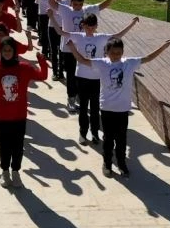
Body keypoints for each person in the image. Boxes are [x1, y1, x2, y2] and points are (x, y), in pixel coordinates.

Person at [70, 37, 170, 178]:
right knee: (108, 138)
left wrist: (163, 46)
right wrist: (71, 47)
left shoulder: (129, 63)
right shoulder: (101, 63)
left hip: (123, 109)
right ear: (107, 52)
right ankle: (107, 163)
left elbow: (148, 58)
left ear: (123, 52)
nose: (116, 55)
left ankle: (121, 162)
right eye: (113, 52)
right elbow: (82, 60)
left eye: (118, 52)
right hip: (106, 107)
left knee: (121, 138)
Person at [49, 13, 139, 145]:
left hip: (97, 79)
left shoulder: (101, 37)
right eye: (87, 26)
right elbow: (60, 31)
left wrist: (132, 24)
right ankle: (83, 133)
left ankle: (95, 133)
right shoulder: (78, 36)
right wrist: (51, 17)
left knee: (96, 108)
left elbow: (118, 35)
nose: (90, 29)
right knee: (84, 108)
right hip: (82, 77)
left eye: (93, 26)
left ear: (96, 26)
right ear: (83, 25)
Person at [0, 39, 48, 189]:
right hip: (2, 116)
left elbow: (42, 76)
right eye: (4, 50)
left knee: (18, 146)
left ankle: (16, 172)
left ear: (15, 52)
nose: (7, 53)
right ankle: (5, 171)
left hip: (19, 115)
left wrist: (42, 61)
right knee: (4, 145)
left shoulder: (24, 68)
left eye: (10, 50)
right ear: (0, 52)